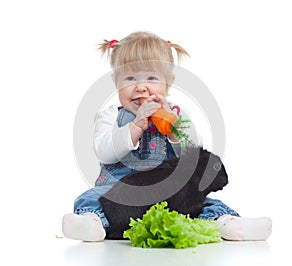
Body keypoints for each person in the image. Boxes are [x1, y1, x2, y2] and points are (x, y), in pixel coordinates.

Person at [62, 31, 272, 242]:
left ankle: (227, 223)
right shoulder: (110, 117)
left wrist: (175, 130)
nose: (141, 87)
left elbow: (195, 149)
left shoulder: (176, 114)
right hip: (119, 192)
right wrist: (135, 126)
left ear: (168, 82)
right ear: (116, 81)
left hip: (168, 192)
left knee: (207, 202)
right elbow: (105, 152)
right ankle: (92, 223)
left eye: (151, 78)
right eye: (130, 78)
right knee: (89, 198)